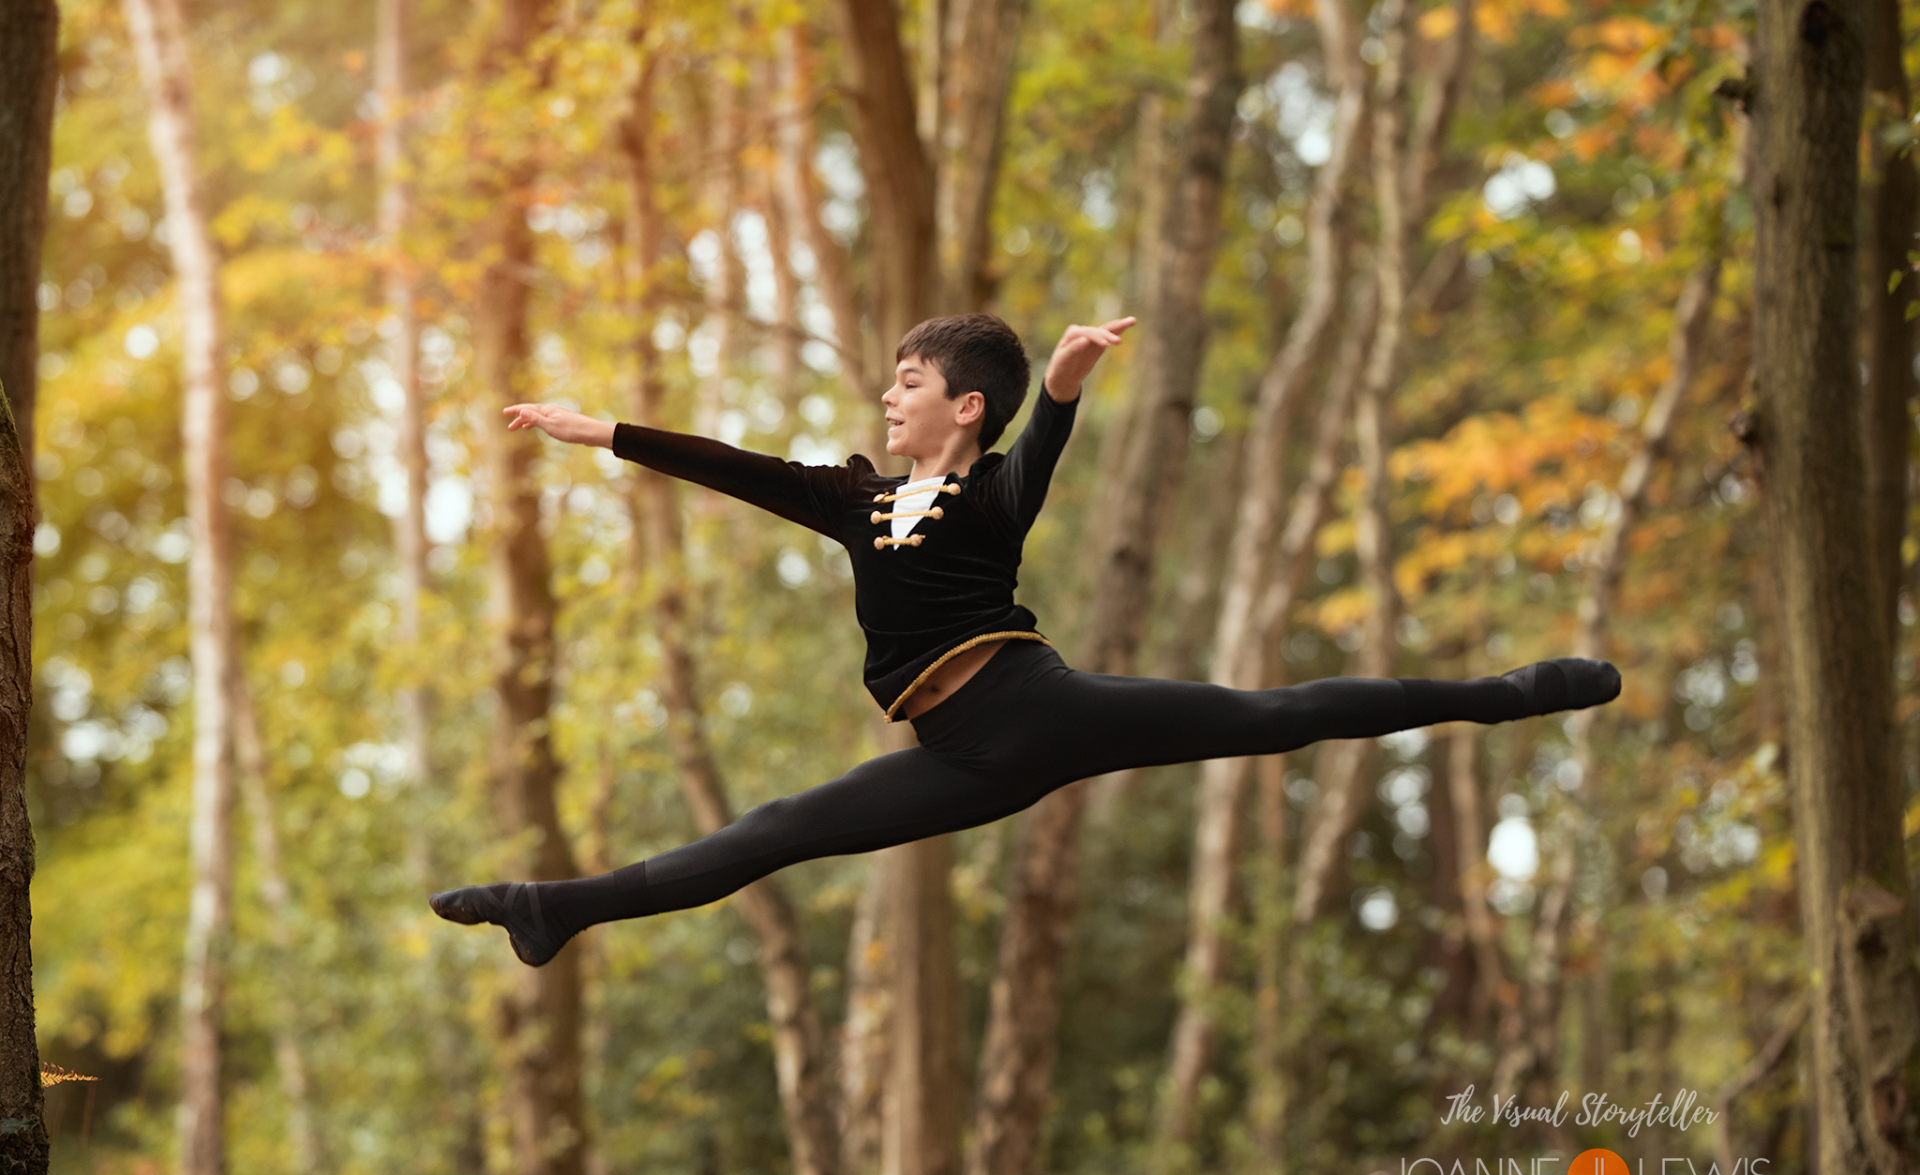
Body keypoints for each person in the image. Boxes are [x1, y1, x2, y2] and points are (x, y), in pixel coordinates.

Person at [431, 313, 1619, 967]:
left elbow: (1041, 456)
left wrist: (1059, 390)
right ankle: (558, 909)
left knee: (1278, 715)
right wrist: (603, 432)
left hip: (1041, 709)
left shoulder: (993, 493)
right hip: (961, 759)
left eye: (911, 382)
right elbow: (733, 469)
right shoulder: (851, 500)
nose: (888, 397)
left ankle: (1511, 692)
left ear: (966, 409)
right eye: (887, 382)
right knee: (775, 832)